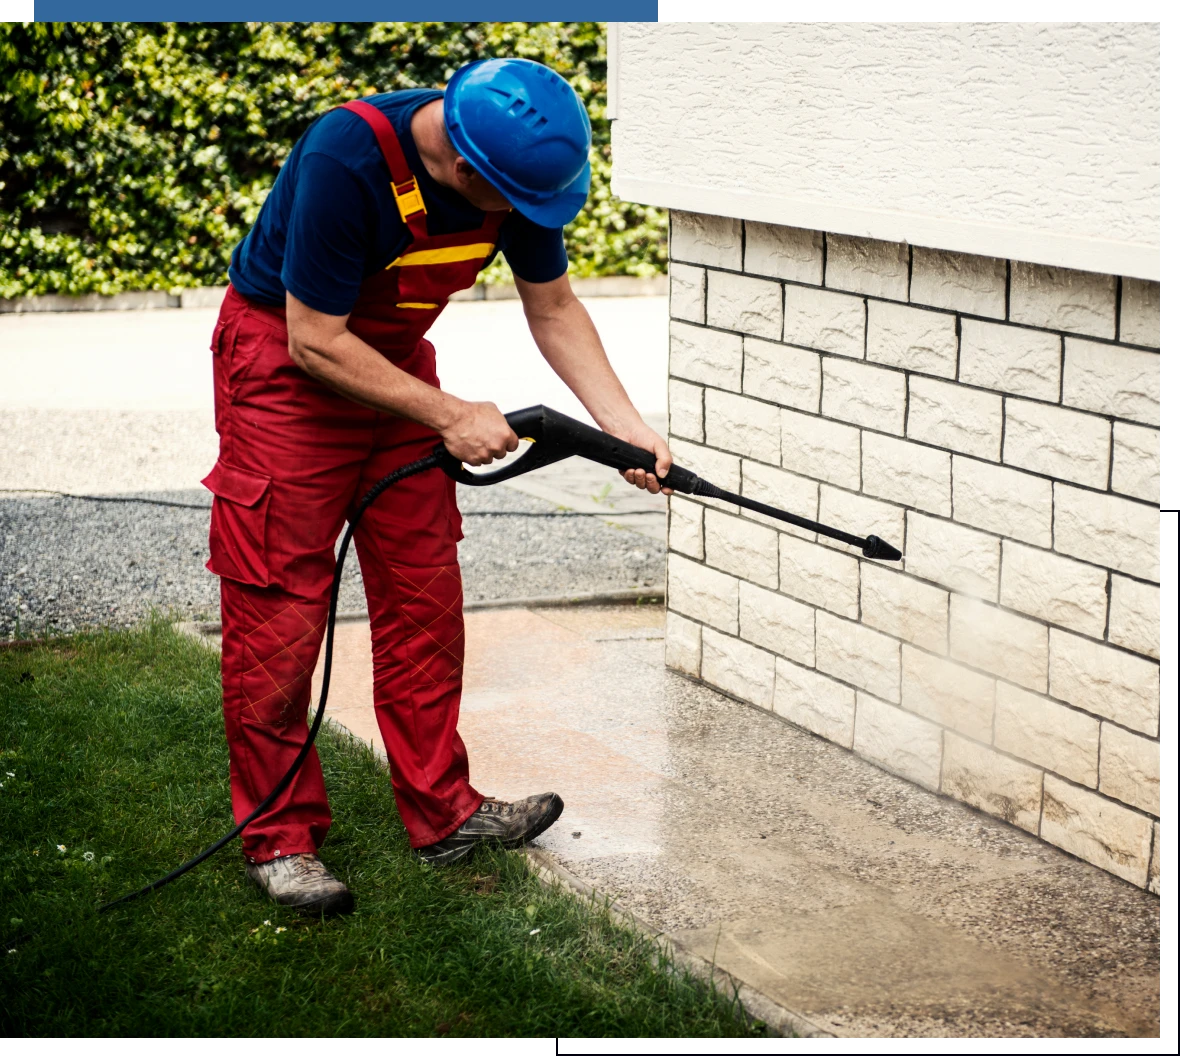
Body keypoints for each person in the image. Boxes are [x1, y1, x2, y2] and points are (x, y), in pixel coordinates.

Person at [203, 57, 672, 915]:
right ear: (461, 169)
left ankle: (443, 814)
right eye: (511, 207)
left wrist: (624, 426)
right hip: (286, 368)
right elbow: (313, 338)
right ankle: (281, 837)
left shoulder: (517, 172)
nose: (523, 222)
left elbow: (555, 306)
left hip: (391, 370)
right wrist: (450, 413)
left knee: (423, 594)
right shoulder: (348, 158)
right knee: (281, 608)